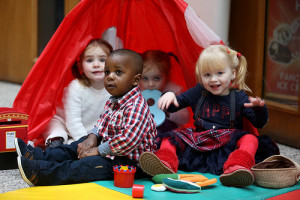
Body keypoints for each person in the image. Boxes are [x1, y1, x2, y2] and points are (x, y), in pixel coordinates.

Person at [139, 45, 279, 187]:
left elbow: (258, 122)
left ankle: (238, 167)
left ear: (233, 74)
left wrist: (260, 109)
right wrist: (168, 96)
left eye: (219, 73)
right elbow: (176, 105)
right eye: (207, 75)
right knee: (170, 137)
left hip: (227, 143)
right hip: (199, 141)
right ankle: (165, 163)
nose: (213, 79)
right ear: (201, 76)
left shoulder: (238, 97)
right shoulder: (198, 92)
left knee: (250, 138)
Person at [15, 49, 157, 186]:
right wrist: (92, 137)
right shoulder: (114, 99)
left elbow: (127, 140)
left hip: (128, 164)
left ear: (136, 80)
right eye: (107, 72)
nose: (110, 76)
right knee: (75, 147)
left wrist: (98, 150)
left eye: (118, 72)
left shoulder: (137, 107)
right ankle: (36, 156)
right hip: (110, 148)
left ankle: (41, 173)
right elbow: (103, 122)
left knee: (85, 166)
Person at [43, 39, 113, 148]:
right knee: (56, 132)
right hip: (64, 124)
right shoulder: (76, 87)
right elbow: (73, 122)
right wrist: (85, 142)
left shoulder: (114, 88)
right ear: (80, 65)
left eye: (102, 60)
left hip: (91, 131)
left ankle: (70, 145)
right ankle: (56, 145)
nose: (96, 64)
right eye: (89, 60)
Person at [140, 50, 190, 133]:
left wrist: (168, 111)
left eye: (157, 78)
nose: (151, 84)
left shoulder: (174, 91)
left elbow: (185, 118)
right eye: (145, 78)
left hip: (169, 134)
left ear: (167, 76)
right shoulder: (137, 92)